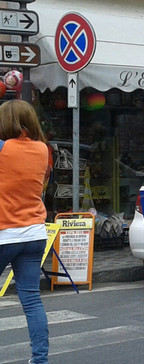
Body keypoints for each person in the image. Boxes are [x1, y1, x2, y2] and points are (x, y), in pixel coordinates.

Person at [0, 100, 50, 363]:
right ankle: (40, 359)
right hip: (34, 234)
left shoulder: (2, 149)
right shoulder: (43, 150)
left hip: (3, 233)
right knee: (31, 301)